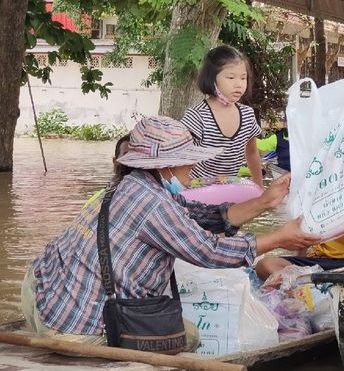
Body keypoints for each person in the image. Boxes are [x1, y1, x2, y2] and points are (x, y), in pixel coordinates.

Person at [21, 116, 319, 349]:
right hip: (73, 324)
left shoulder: (134, 185)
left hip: (41, 295)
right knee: (187, 337)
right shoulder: (151, 202)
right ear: (165, 165)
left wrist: (264, 202)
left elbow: (201, 216)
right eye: (186, 158)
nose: (193, 164)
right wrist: (280, 238)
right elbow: (209, 251)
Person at [181, 45, 263, 187]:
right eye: (231, 77)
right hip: (195, 192)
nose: (239, 84)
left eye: (243, 78)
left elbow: (252, 153)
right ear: (212, 79)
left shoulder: (248, 115)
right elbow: (180, 156)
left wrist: (259, 189)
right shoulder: (197, 116)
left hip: (229, 191)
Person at [255, 225, 344, 280]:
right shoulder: (315, 199)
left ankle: (309, 290)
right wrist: (295, 272)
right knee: (265, 265)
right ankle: (301, 292)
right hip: (318, 262)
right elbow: (304, 241)